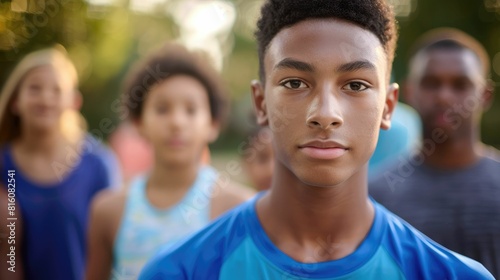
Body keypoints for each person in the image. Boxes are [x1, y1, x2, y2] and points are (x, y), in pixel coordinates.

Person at [139, 1, 493, 279]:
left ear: (388, 107)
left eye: (355, 85)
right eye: (295, 83)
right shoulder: (179, 271)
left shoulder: (451, 275)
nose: (325, 113)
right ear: (261, 103)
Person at [86, 44, 255, 280]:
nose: (177, 122)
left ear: (213, 124)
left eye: (191, 110)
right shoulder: (108, 210)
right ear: (138, 123)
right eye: (162, 109)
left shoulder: (238, 209)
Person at [369, 28, 500, 277]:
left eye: (460, 84)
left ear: (484, 95)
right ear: (408, 91)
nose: (444, 96)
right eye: (431, 83)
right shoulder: (376, 196)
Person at [0, 47, 121, 280]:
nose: (45, 98)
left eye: (57, 90)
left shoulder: (97, 164)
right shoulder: (5, 167)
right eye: (35, 88)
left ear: (74, 102)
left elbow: (112, 247)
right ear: (16, 100)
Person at [241, 126, 274, 191]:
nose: (271, 170)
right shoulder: (240, 199)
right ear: (246, 163)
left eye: (281, 160)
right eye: (262, 159)